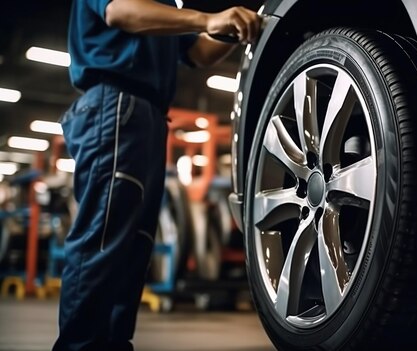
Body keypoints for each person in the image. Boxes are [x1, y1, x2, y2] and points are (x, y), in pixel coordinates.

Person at [53, 1, 261, 350]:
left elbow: (197, 52)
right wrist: (207, 18)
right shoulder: (141, 6)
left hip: (145, 115)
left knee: (133, 249)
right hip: (115, 102)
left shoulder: (162, 6)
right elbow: (118, 12)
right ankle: (79, 346)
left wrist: (241, 27)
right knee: (102, 238)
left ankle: (113, 344)